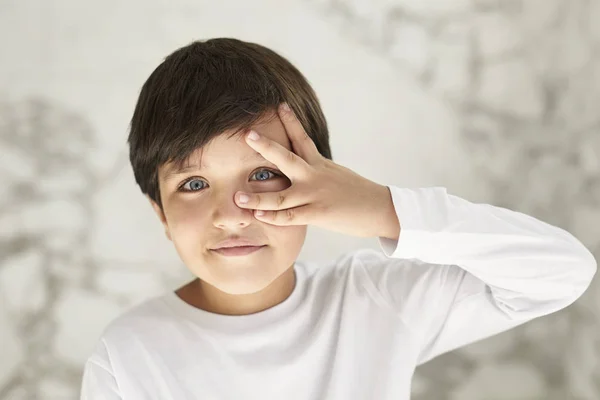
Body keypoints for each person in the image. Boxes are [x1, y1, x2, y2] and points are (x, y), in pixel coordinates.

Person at [80, 38, 597, 400]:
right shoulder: (128, 353)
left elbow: (560, 272)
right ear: (161, 213)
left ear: (318, 182)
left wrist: (381, 207)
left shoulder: (374, 301)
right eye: (193, 184)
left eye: (263, 174)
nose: (232, 213)